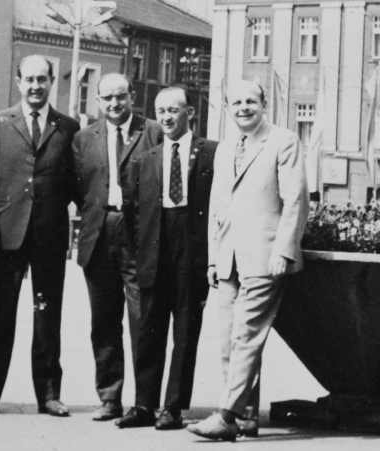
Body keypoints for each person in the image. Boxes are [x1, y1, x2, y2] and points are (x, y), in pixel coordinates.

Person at [187, 79, 309, 441]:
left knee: (246, 334)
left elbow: (295, 199)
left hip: (265, 255)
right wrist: (213, 259)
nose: (244, 108)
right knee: (228, 339)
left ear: (264, 103)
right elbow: (217, 208)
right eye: (236, 102)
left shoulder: (283, 141)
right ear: (227, 107)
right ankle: (246, 417)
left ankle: (226, 415)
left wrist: (285, 249)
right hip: (228, 259)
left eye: (251, 101)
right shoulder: (225, 148)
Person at [0, 55, 79, 417]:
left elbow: (75, 184)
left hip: (49, 237)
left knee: (47, 317)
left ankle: (49, 394)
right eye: (29, 80)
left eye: (42, 80)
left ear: (52, 82)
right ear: (18, 82)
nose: (35, 87)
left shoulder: (68, 127)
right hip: (6, 235)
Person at [116, 86, 216, 430]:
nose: (167, 117)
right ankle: (143, 404)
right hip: (153, 250)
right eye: (161, 111)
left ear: (190, 112)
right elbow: (130, 213)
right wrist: (139, 253)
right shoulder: (145, 160)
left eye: (174, 110)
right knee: (149, 329)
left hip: (190, 250)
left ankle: (172, 407)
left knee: (186, 331)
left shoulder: (210, 155)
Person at [72, 73, 162, 421]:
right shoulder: (83, 138)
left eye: (121, 97)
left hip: (139, 235)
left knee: (143, 319)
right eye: (107, 98)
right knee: (104, 321)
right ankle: (109, 397)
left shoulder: (151, 131)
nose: (114, 104)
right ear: (97, 100)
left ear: (132, 96)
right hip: (99, 233)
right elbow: (79, 188)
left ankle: (144, 402)